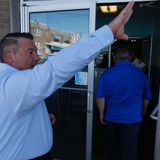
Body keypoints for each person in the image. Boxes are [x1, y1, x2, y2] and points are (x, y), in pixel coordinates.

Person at [0, 2, 134, 160]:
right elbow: (55, 69)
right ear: (10, 57)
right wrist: (108, 32)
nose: (37, 57)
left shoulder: (12, 83)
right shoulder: (10, 85)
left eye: (36, 51)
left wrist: (41, 117)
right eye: (30, 52)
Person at [96, 45, 152, 160]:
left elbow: (100, 97)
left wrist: (101, 114)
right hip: (133, 119)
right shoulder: (140, 74)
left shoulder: (107, 73)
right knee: (130, 150)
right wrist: (144, 110)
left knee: (112, 148)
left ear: (114, 58)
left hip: (112, 118)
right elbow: (147, 97)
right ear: (130, 58)